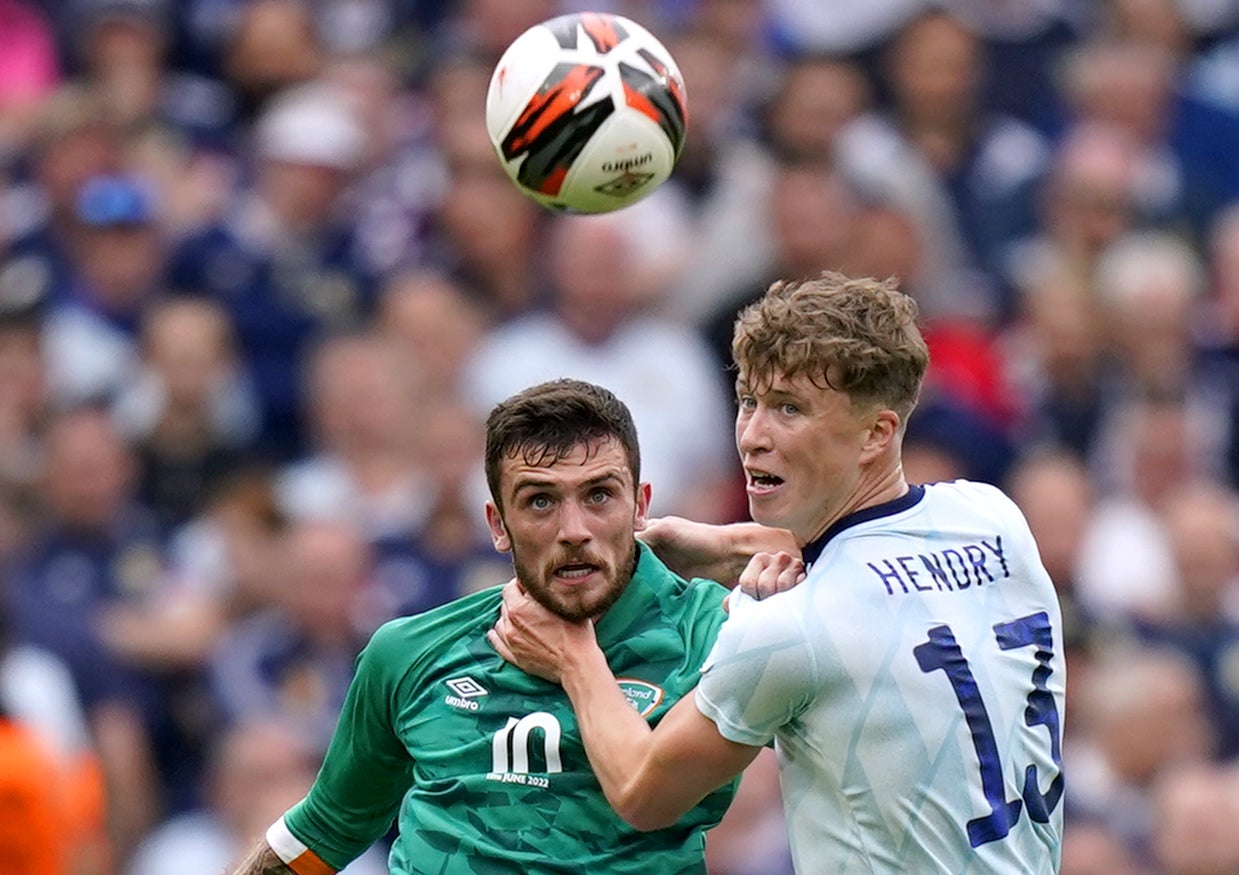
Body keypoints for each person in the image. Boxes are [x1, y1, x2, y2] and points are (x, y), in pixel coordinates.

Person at [490, 273, 1066, 873]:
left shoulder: (785, 628)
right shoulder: (993, 518)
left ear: (877, 432)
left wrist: (572, 654)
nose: (752, 437)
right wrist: (729, 543)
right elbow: (879, 560)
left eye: (789, 409)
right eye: (748, 402)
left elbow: (642, 791)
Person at [227, 378, 800, 875]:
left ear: (640, 505)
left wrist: (727, 541)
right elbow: (321, 832)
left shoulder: (716, 631)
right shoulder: (410, 651)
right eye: (540, 502)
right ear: (498, 526)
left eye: (599, 495)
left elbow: (857, 570)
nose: (573, 529)